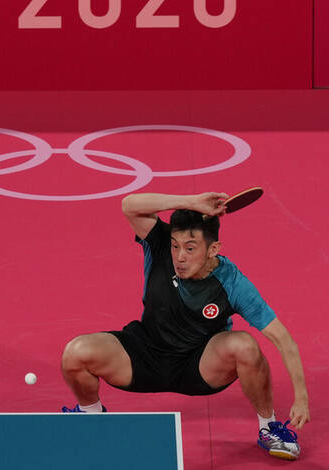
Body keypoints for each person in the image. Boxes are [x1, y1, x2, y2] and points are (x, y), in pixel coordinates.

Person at [60, 192, 310, 461]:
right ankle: (91, 417)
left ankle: (269, 427)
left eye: (190, 249)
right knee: (76, 353)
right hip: (145, 354)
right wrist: (190, 202)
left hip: (198, 365)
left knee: (245, 346)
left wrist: (301, 397)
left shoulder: (232, 282)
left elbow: (283, 339)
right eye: (175, 246)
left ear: (213, 249)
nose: (179, 256)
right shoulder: (158, 243)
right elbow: (128, 206)